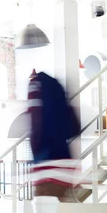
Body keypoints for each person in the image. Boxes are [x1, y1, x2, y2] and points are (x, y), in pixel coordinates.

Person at [27, 71, 81, 202]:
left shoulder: (35, 85)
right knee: (57, 211)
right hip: (64, 161)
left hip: (47, 165)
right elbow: (74, 128)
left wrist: (36, 159)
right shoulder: (55, 85)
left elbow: (35, 121)